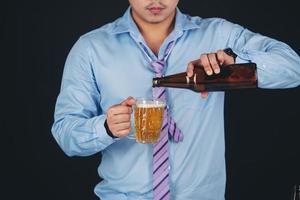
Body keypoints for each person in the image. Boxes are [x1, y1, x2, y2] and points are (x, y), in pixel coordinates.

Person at [51, 0, 300, 199]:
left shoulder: (218, 34)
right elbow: (65, 134)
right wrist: (105, 127)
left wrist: (236, 60)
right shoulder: (91, 48)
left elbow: (293, 68)